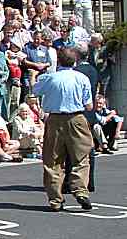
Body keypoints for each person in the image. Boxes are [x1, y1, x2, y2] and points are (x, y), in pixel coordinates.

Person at [32, 48, 93, 211]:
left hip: (55, 119)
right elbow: (89, 105)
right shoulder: (82, 78)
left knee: (53, 160)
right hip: (76, 118)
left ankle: (55, 200)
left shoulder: (50, 78)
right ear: (75, 62)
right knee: (81, 157)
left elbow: (34, 91)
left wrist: (34, 76)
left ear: (58, 61)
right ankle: (80, 190)